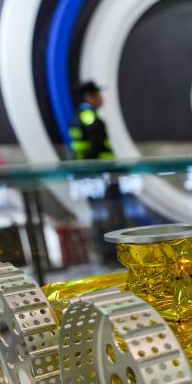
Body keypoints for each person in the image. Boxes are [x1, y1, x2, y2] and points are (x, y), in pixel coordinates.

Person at [69, 81, 124, 265]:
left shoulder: (77, 117)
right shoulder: (92, 119)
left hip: (89, 177)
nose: (101, 98)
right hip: (101, 176)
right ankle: (113, 257)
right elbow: (94, 150)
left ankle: (105, 256)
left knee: (100, 215)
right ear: (89, 96)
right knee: (110, 217)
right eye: (98, 94)